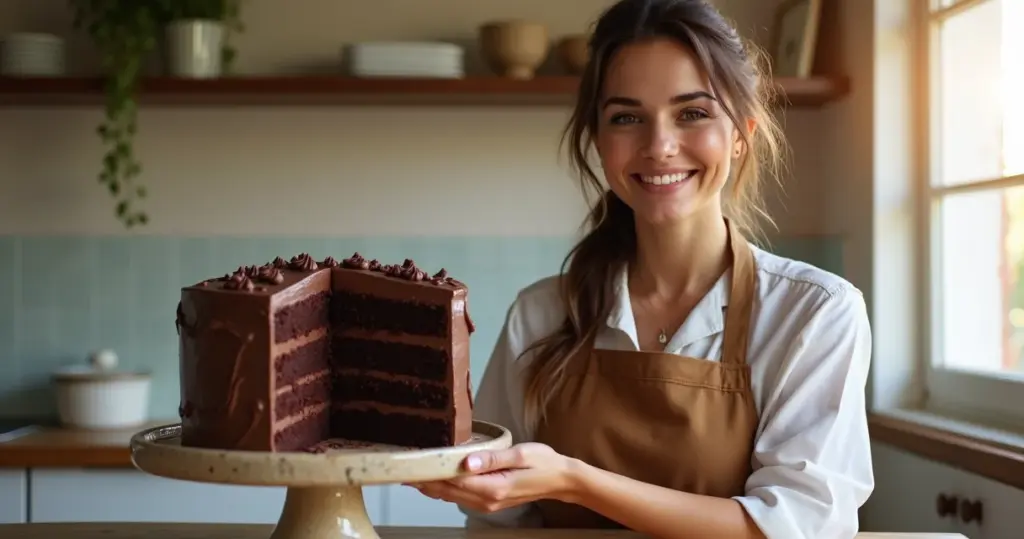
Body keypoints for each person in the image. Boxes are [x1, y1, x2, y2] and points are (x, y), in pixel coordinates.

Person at [407, 0, 875, 537]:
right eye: (627, 118)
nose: (659, 146)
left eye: (692, 113)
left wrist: (575, 481)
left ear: (741, 134)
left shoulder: (813, 314)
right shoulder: (541, 314)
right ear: (599, 141)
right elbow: (503, 521)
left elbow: (796, 527)